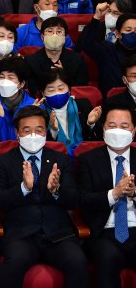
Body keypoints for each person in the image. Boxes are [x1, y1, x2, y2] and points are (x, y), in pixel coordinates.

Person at [0, 105, 89, 288]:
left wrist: (56, 190)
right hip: (21, 234)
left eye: (39, 130)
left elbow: (74, 199)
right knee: (13, 265)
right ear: (17, 133)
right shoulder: (4, 162)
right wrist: (23, 188)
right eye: (27, 131)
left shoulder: (61, 159)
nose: (33, 135)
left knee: (78, 261)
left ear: (46, 132)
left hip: (58, 234)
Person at [77, 104, 136, 288]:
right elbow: (83, 200)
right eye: (112, 125)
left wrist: (134, 194)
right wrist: (114, 194)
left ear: (134, 131)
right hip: (105, 231)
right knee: (107, 259)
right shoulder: (87, 160)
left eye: (124, 126)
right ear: (103, 129)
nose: (117, 131)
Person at [40, 68, 102, 157]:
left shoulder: (83, 105)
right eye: (51, 90)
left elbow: (99, 138)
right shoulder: (41, 113)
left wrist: (90, 124)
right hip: (55, 159)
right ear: (43, 93)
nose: (57, 93)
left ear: (69, 89)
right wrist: (53, 130)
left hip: (84, 156)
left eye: (61, 88)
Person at [77, 8, 136, 97]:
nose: (133, 33)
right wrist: (96, 17)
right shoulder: (107, 50)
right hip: (114, 103)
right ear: (117, 34)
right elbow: (87, 44)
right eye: (128, 30)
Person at [25, 17, 88, 96]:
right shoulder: (31, 61)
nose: (54, 35)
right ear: (42, 37)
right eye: (50, 31)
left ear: (65, 37)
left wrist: (63, 76)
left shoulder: (77, 59)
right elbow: (33, 90)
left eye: (59, 31)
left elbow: (81, 89)